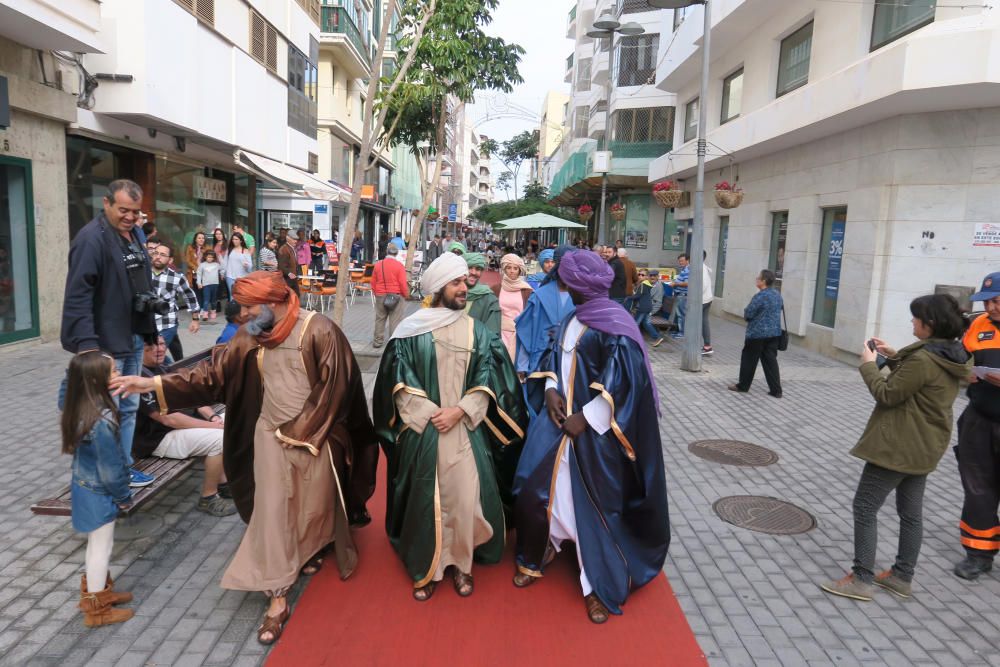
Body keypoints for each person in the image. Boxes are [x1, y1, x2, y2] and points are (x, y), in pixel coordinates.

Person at [111, 270, 378, 645]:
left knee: (311, 507)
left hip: (314, 440)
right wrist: (152, 383)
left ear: (273, 302)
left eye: (250, 308)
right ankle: (277, 599)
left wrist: (300, 433)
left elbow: (335, 390)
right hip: (269, 439)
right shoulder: (252, 334)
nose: (244, 315)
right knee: (272, 517)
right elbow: (210, 375)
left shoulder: (319, 330)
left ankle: (309, 551)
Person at [512, 250, 669, 624]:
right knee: (532, 486)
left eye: (565, 279)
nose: (561, 283)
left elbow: (625, 384)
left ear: (576, 286)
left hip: (593, 435)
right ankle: (544, 547)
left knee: (596, 506)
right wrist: (550, 388)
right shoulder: (573, 316)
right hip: (556, 422)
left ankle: (596, 582)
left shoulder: (614, 325)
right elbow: (554, 357)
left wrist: (586, 417)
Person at [372, 253, 525, 601]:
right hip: (422, 430)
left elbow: (490, 375)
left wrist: (461, 410)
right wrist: (428, 413)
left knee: (464, 500)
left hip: (465, 428)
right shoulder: (411, 330)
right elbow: (397, 379)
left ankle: (462, 567)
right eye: (456, 283)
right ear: (438, 288)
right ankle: (428, 567)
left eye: (463, 282)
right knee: (423, 501)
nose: (464, 287)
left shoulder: (478, 331)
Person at [820, 294, 971, 601]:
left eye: (916, 318)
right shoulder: (950, 354)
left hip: (897, 446)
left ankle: (862, 579)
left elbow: (888, 394)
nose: (912, 322)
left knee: (864, 507)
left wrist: (868, 366)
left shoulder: (923, 359)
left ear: (930, 325)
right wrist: (893, 355)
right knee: (911, 513)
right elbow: (918, 378)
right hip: (925, 446)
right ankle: (902, 576)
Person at [62, 179, 156, 489]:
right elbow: (78, 295)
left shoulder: (135, 233)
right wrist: (89, 347)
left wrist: (152, 334)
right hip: (106, 343)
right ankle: (105, 475)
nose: (130, 217)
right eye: (123, 210)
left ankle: (124, 467)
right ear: (106, 204)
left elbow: (143, 285)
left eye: (135, 211)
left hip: (133, 336)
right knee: (103, 411)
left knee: (128, 407)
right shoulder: (91, 239)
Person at [62, 352, 135, 628]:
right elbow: (110, 469)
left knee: (98, 546)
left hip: (85, 486)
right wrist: (124, 497)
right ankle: (97, 609)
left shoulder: (80, 406)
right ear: (95, 380)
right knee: (101, 548)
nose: (117, 376)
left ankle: (99, 591)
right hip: (99, 491)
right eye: (113, 372)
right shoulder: (101, 421)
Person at [135, 337, 237, 517]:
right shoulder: (139, 378)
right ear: (138, 350)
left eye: (160, 343)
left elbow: (194, 398)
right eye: (149, 346)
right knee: (220, 439)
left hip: (180, 428)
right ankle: (208, 497)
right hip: (159, 439)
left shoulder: (162, 368)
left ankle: (224, 483)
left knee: (236, 416)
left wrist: (213, 417)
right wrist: (214, 427)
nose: (158, 349)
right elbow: (170, 420)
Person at [953, 272, 1000, 580]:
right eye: (988, 301)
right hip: (979, 419)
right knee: (978, 488)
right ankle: (978, 555)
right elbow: (958, 359)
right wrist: (963, 373)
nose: (991, 307)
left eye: (996, 301)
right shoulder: (977, 324)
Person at [514, 245, 577, 395]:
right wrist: (522, 366)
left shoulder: (582, 298)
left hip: (571, 363)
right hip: (540, 363)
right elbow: (526, 332)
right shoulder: (539, 296)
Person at [729, 270, 784, 397]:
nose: (756, 279)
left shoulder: (760, 296)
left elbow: (748, 313)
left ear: (763, 281)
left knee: (749, 360)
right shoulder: (777, 294)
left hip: (757, 334)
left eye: (758, 277)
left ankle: (743, 386)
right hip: (774, 334)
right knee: (771, 362)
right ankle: (776, 390)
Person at [149, 243, 201, 349]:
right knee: (154, 356)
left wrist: (195, 319)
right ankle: (177, 365)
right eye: (156, 253)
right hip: (146, 324)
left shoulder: (177, 278)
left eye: (163, 255)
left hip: (166, 324)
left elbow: (189, 296)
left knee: (155, 352)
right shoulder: (142, 273)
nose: (158, 257)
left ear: (170, 260)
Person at [494, 254, 533, 360]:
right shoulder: (495, 289)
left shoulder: (527, 290)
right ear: (504, 269)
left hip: (519, 334)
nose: (512, 271)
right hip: (499, 334)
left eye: (515, 268)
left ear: (519, 270)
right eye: (509, 267)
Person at [372, 244, 410, 347]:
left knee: (380, 318)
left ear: (387, 252)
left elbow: (373, 282)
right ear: (396, 253)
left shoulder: (378, 265)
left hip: (380, 295)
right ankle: (393, 343)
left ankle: (377, 341)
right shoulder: (399, 266)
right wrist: (406, 295)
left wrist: (377, 293)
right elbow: (402, 283)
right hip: (396, 296)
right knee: (395, 320)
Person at [463, 252, 501, 335]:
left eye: (478, 269)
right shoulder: (451, 294)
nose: (473, 272)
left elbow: (492, 335)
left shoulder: (490, 300)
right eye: (470, 268)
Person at [630, 269, 665, 347]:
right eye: (639, 275)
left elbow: (658, 302)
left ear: (657, 277)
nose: (652, 277)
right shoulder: (645, 284)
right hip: (644, 308)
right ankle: (657, 337)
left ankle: (633, 340)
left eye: (654, 276)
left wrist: (651, 312)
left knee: (636, 323)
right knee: (646, 323)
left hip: (648, 309)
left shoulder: (658, 286)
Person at [196, 250, 223, 324]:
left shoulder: (216, 264)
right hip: (206, 285)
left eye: (212, 257)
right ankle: (205, 313)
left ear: (214, 258)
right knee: (206, 299)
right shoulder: (202, 265)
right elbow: (199, 274)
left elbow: (223, 268)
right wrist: (199, 283)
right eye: (208, 257)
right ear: (205, 257)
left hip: (215, 284)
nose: (210, 258)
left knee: (214, 299)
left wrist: (222, 273)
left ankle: (213, 311)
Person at [669, 254, 689, 339]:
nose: (680, 262)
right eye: (679, 261)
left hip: (683, 295)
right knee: (679, 314)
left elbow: (687, 283)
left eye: (682, 261)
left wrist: (675, 283)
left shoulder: (688, 269)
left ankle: (681, 333)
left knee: (681, 314)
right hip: (680, 294)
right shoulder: (684, 269)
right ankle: (678, 331)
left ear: (687, 260)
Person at [185, 232, 207, 304]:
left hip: (205, 274)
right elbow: (188, 260)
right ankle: (198, 308)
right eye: (199, 238)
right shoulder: (190, 247)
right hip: (193, 273)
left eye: (203, 238)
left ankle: (203, 308)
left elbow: (211, 260)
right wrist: (196, 268)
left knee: (203, 292)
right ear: (195, 239)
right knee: (196, 291)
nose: (201, 240)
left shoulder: (207, 248)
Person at [700, 251, 715, 356]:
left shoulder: (701, 268)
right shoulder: (703, 267)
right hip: (706, 298)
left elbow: (703, 285)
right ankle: (707, 346)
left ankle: (707, 346)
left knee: (701, 323)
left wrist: (694, 298)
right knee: (704, 322)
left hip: (702, 300)